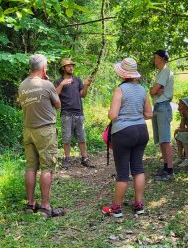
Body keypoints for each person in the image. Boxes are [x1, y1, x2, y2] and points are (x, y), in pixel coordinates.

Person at [102, 58, 152, 218]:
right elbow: (149, 114)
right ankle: (139, 205)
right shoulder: (143, 90)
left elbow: (113, 115)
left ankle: (116, 209)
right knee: (138, 168)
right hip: (141, 131)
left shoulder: (120, 90)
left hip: (123, 132)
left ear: (122, 74)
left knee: (123, 172)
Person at [18, 54, 64, 218]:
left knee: (31, 167)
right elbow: (58, 104)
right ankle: (45, 207)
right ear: (43, 68)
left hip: (28, 130)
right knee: (47, 168)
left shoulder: (22, 85)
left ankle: (30, 204)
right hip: (45, 131)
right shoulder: (47, 84)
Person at [55, 58, 94, 169]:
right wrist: (62, 84)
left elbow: (83, 95)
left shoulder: (77, 80)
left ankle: (84, 158)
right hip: (66, 114)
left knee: (82, 138)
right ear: (63, 68)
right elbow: (55, 94)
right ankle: (67, 159)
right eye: (68, 66)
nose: (71, 67)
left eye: (72, 66)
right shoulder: (58, 81)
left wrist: (86, 85)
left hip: (79, 113)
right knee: (66, 139)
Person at [150, 49, 175, 181]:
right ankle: (166, 167)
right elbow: (152, 91)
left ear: (161, 58)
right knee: (161, 140)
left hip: (163, 105)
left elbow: (153, 90)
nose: (154, 60)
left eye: (155, 58)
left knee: (165, 139)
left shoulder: (165, 71)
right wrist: (153, 91)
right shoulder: (161, 72)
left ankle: (170, 170)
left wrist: (154, 91)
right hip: (158, 106)